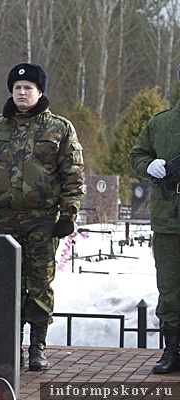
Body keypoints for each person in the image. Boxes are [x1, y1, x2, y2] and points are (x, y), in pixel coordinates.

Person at [0, 62, 85, 371]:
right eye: (18, 88)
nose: (22, 92)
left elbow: (73, 174)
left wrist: (68, 213)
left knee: (40, 284)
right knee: (8, 284)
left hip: (43, 220)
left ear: (39, 92)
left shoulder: (59, 128)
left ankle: (37, 346)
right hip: (6, 219)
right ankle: (12, 345)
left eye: (28, 88)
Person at [129, 63, 180, 374]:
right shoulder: (162, 123)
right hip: (168, 217)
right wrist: (151, 166)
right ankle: (173, 348)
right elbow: (137, 154)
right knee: (171, 287)